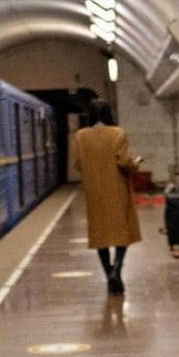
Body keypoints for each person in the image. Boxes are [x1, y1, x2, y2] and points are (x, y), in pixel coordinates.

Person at [70, 98, 141, 295]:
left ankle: (108, 273)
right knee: (122, 231)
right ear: (109, 114)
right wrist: (136, 163)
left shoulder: (80, 136)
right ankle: (117, 268)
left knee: (100, 235)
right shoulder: (118, 133)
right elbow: (125, 162)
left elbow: (77, 164)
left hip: (95, 192)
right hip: (117, 188)